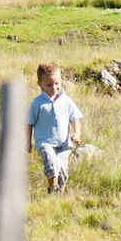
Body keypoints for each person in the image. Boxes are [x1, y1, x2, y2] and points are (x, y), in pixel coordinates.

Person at [26, 62, 83, 193]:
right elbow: (29, 123)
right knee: (51, 164)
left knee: (62, 171)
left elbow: (75, 119)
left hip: (63, 144)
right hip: (45, 142)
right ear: (39, 84)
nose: (54, 87)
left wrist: (77, 134)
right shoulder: (37, 103)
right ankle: (54, 186)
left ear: (61, 81)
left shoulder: (66, 101)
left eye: (57, 83)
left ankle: (56, 193)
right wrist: (28, 142)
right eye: (49, 85)